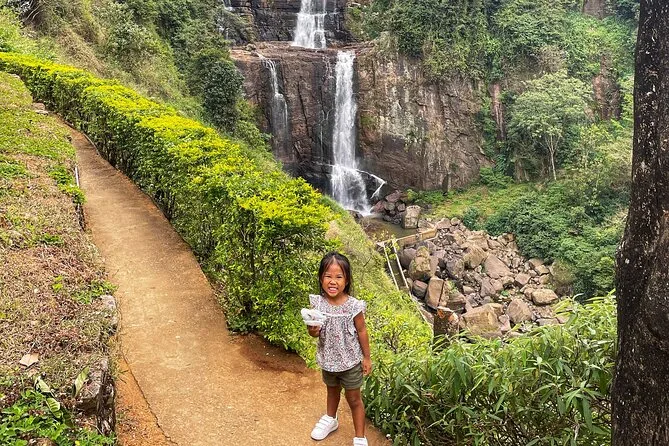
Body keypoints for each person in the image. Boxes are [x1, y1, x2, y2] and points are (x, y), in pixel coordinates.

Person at [307, 252, 372, 446]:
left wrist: (367, 357)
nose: (333, 281)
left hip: (350, 362)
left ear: (347, 280)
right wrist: (313, 330)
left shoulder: (353, 306)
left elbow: (362, 331)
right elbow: (314, 332)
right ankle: (331, 418)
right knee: (332, 391)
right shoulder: (318, 304)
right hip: (328, 360)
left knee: (354, 399)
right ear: (321, 278)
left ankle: (360, 436)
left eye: (338, 276)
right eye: (328, 276)